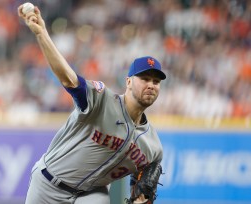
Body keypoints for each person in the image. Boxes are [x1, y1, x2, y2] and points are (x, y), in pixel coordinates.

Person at [18, 4, 166, 204]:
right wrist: (42, 33)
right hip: (48, 184)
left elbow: (143, 189)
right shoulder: (102, 100)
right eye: (145, 79)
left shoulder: (153, 147)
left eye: (156, 82)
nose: (151, 85)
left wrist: (141, 199)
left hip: (91, 194)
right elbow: (69, 79)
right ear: (129, 82)